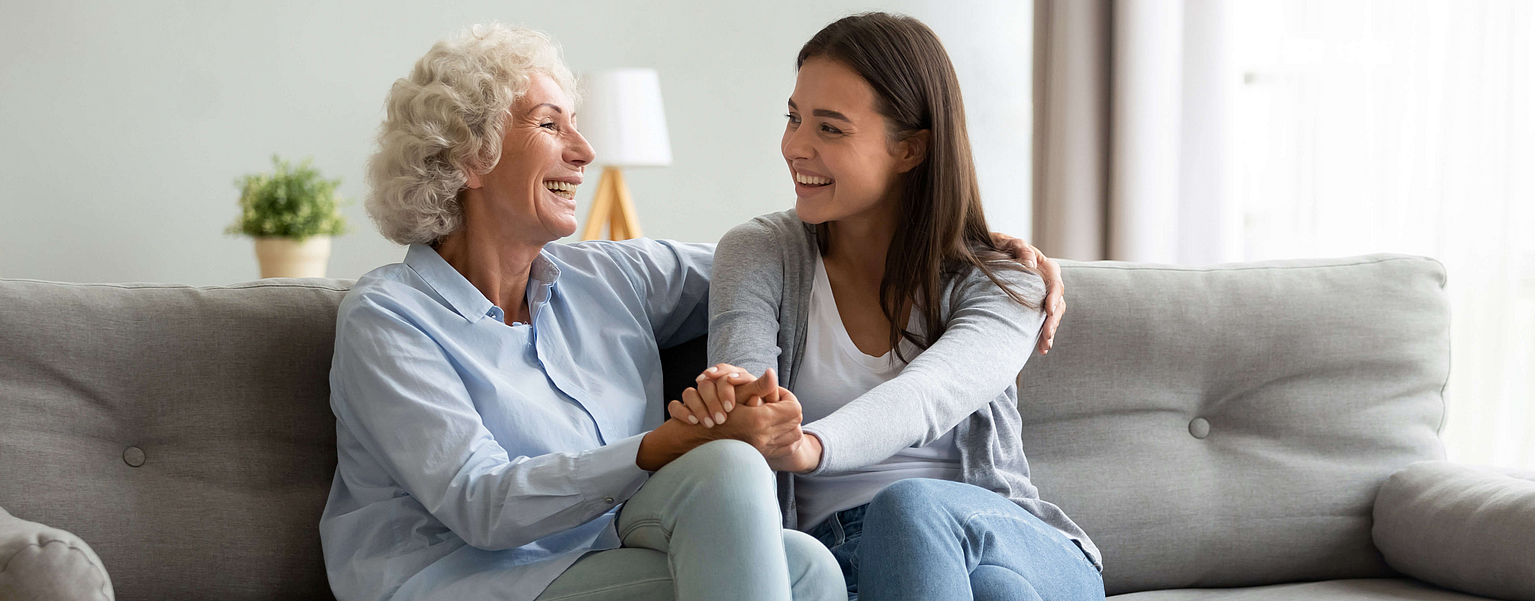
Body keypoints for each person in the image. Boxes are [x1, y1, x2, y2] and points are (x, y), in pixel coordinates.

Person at [320, 22, 1067, 601]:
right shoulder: (389, 319)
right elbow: (480, 504)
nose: (584, 149)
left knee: (805, 561)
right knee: (723, 464)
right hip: (468, 579)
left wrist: (966, 245)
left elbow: (806, 265)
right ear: (470, 155)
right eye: (551, 125)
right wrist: (662, 444)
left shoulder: (610, 278)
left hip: (609, 552)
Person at [679, 12, 1105, 601]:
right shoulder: (759, 253)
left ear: (909, 149)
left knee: (909, 509)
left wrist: (810, 445)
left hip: (1009, 539)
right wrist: (743, 408)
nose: (794, 146)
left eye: (830, 129)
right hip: (845, 563)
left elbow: (928, 396)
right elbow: (750, 397)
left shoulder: (1006, 281)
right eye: (794, 117)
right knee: (998, 593)